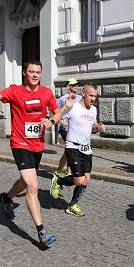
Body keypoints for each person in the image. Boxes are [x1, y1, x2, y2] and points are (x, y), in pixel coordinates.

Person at [0, 60, 71, 248]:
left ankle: (7, 198)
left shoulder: (46, 92)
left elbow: (57, 113)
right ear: (25, 73)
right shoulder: (14, 91)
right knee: (32, 186)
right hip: (20, 143)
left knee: (25, 181)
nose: (35, 75)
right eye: (31, 71)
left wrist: (52, 122)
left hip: (37, 146)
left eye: (38, 71)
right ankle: (41, 231)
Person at [47, 83, 106, 217]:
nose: (93, 99)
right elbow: (57, 115)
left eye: (95, 96)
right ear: (83, 93)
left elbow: (93, 124)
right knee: (79, 180)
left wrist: (99, 127)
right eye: (91, 95)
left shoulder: (93, 110)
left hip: (87, 149)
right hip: (72, 147)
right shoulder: (73, 107)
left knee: (86, 179)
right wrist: (60, 119)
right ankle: (58, 180)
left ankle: (72, 205)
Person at [54, 78, 82, 179]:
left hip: (75, 129)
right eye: (73, 85)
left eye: (77, 85)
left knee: (68, 151)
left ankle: (60, 170)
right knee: (70, 150)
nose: (76, 87)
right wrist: (61, 121)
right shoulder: (62, 99)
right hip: (65, 129)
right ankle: (68, 171)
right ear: (68, 86)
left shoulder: (80, 98)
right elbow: (56, 113)